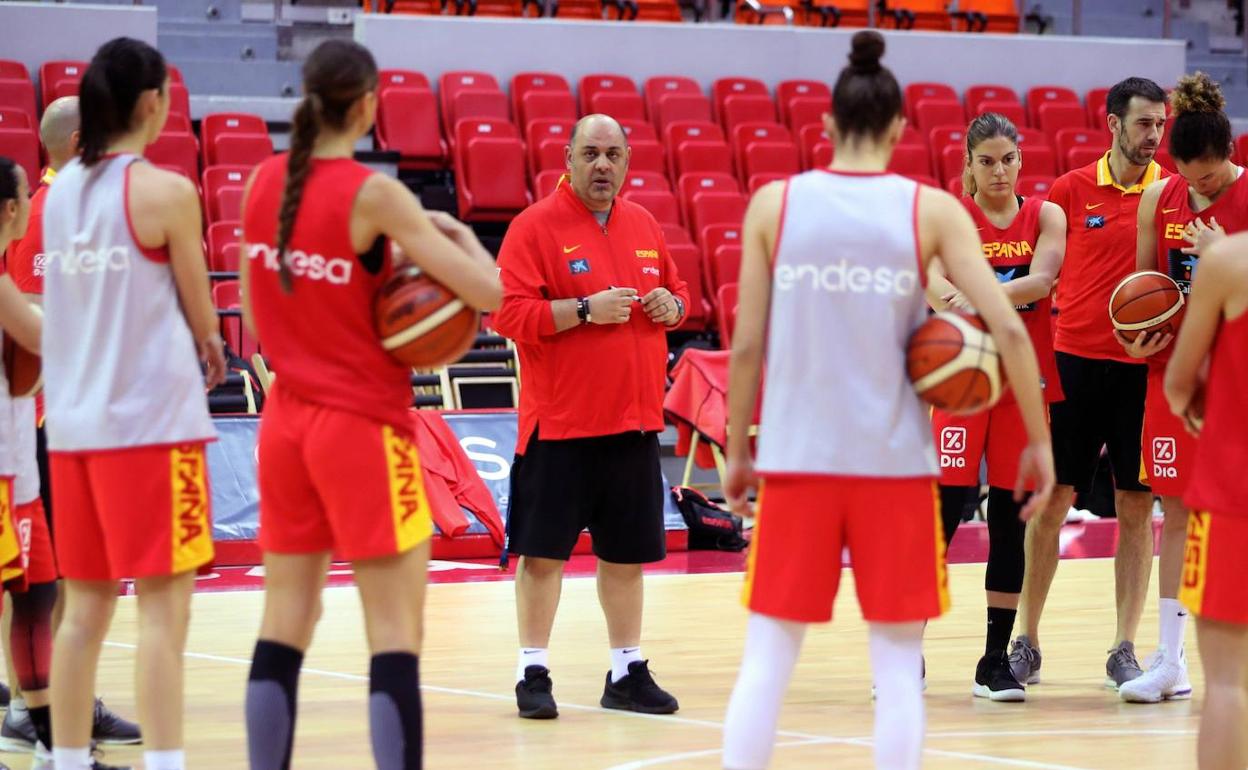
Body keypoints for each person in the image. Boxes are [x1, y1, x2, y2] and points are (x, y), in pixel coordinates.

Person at [720, 31, 1054, 770]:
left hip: (799, 460)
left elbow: (747, 345)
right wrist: (1040, 439)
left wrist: (737, 452)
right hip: (895, 470)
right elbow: (1008, 325)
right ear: (901, 130)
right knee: (897, 672)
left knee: (767, 664)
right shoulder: (930, 210)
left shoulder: (776, 204)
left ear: (827, 128)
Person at [238, 40, 501, 770]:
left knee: (285, 620)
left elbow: (255, 323)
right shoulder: (374, 195)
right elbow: (493, 295)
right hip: (360, 428)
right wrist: (452, 234)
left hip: (284, 424)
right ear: (367, 105)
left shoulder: (260, 184)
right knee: (393, 630)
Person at [41, 37, 227, 770]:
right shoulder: (166, 192)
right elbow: (204, 319)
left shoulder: (56, 199)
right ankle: (167, 763)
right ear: (152, 104)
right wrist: (210, 345)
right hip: (151, 430)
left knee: (82, 612)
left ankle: (65, 760)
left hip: (74, 428)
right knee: (163, 611)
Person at [493, 113, 689, 720]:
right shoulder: (533, 228)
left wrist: (671, 304)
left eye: (613, 155)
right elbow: (508, 316)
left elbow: (681, 298)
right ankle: (533, 670)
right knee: (543, 556)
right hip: (561, 427)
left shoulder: (644, 224)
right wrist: (582, 309)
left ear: (628, 161)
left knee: (625, 558)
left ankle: (626, 671)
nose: (602, 165)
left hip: (632, 424)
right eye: (591, 154)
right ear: (569, 160)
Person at [1010, 76, 1168, 691]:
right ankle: (1026, 637)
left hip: (1141, 370)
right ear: (1113, 122)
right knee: (1052, 503)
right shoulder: (1069, 191)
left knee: (1135, 505)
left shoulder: (1172, 195)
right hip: (1073, 364)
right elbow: (1043, 276)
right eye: (1142, 123)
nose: (1152, 135)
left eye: (1160, 124)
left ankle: (1124, 646)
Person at [0, 94, 141, 754]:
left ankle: (60, 700)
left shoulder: (73, 205)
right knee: (50, 580)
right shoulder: (45, 213)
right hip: (52, 422)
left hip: (69, 416)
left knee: (64, 576)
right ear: (82, 138)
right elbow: (32, 323)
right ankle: (45, 705)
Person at [926, 112, 1066, 702]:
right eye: (987, 161)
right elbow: (932, 284)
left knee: (1011, 522)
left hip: (1023, 385)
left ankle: (993, 662)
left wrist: (976, 293)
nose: (1000, 171)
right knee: (942, 514)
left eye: (1008, 159)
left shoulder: (1047, 215)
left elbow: (1043, 280)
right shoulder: (950, 217)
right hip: (963, 382)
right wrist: (961, 295)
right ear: (969, 164)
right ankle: (902, 652)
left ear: (1021, 160)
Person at [1119, 71, 1248, 704]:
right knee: (1175, 513)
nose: (1201, 187)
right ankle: (1171, 661)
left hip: (1236, 382)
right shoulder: (1158, 199)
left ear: (1231, 155)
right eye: (1191, 177)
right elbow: (1143, 292)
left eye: (1212, 177)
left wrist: (1226, 252)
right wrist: (1134, 332)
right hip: (1170, 373)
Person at [1165, 228, 1248, 770]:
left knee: (1226, 684)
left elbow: (1177, 381)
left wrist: (1197, 401)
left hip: (1234, 494)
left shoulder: (1228, 260)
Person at [0, 156, 44, 770]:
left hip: (16, 460)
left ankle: (51, 740)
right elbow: (46, 346)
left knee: (41, 593)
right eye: (26, 194)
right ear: (11, 208)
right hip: (3, 464)